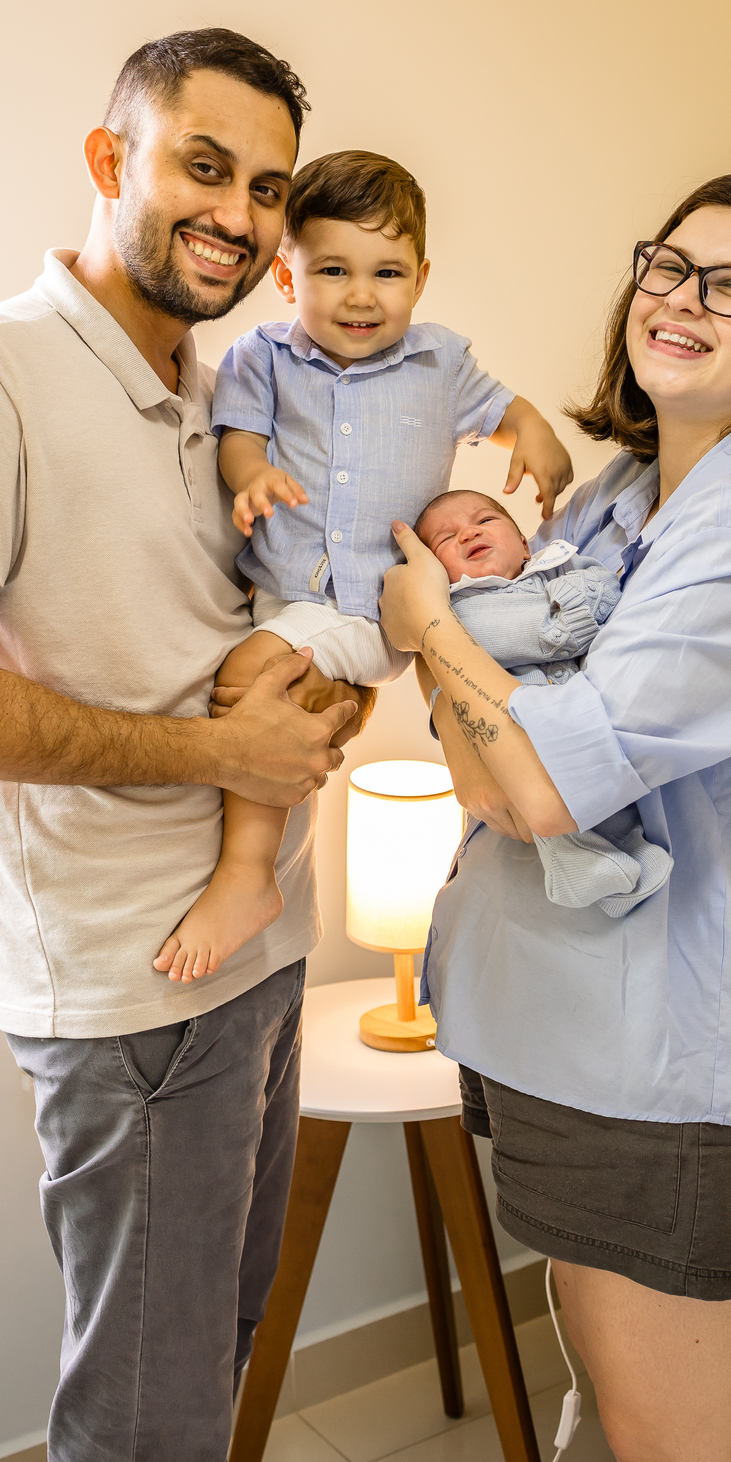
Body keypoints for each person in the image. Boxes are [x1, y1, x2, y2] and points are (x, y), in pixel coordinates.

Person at [0, 28, 368, 1462]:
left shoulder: (237, 393)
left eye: (265, 188)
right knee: (143, 1438)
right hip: (134, 991)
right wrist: (217, 748)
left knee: (212, 1374)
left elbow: (253, 629)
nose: (238, 214)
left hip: (264, 950)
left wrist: (325, 704)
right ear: (108, 159)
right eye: (203, 167)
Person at [378, 173, 731, 1462]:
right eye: (668, 266)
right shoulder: (622, 492)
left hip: (672, 1068)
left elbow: (535, 790)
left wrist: (430, 626)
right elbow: (485, 768)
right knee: (635, 1448)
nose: (681, 299)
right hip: (569, 1033)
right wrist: (485, 707)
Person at [153, 151, 573, 983]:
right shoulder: (261, 356)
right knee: (288, 699)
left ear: (420, 278)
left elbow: (504, 409)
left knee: (252, 679)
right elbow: (239, 440)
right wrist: (252, 478)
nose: (361, 296)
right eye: (333, 270)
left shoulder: (439, 362)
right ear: (286, 275)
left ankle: (246, 875)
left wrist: (536, 434)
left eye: (387, 273)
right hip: (288, 591)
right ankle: (266, 857)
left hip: (380, 605)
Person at [414, 488, 671, 910]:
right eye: (445, 538)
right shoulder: (459, 611)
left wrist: (571, 602)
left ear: (524, 544)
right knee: (540, 793)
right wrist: (564, 613)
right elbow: (543, 632)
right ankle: (578, 861)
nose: (468, 534)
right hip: (520, 730)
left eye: (485, 520)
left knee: (610, 801)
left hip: (582, 717)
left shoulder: (557, 563)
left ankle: (619, 855)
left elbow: (602, 586)